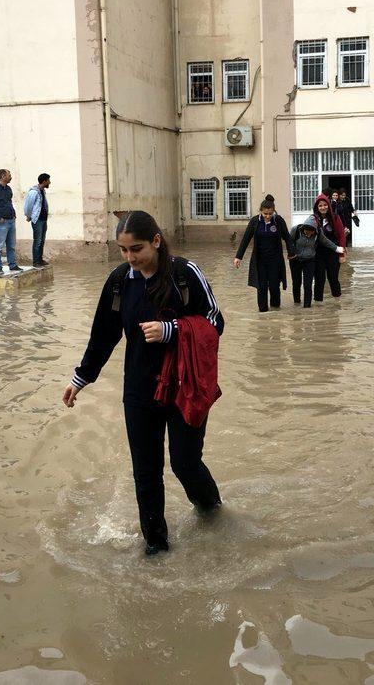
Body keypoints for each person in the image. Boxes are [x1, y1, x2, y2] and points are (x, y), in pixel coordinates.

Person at [62, 211, 223, 556]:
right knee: (146, 473)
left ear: (156, 241)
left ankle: (213, 512)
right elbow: (103, 335)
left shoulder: (184, 274)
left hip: (185, 387)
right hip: (138, 391)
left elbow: (215, 320)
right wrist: (81, 378)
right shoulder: (120, 281)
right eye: (123, 250)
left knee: (184, 462)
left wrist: (173, 330)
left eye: (136, 249)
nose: (130, 258)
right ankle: (156, 547)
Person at [234, 198, 293, 312]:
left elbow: (287, 237)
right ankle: (263, 311)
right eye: (265, 213)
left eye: (270, 213)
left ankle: (276, 311)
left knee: (274, 286)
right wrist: (238, 257)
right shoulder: (255, 221)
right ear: (260, 211)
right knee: (261, 287)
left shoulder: (278, 220)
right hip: (259, 260)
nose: (267, 216)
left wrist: (291, 253)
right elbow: (246, 239)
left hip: (275, 260)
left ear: (274, 211)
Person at [289, 216, 342, 308]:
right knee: (296, 283)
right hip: (295, 260)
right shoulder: (296, 230)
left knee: (308, 284)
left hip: (309, 260)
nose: (309, 234)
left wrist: (337, 248)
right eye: (306, 231)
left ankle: (307, 307)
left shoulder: (318, 232)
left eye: (311, 232)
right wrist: (291, 253)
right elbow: (289, 242)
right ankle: (296, 303)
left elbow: (326, 242)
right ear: (303, 228)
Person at [0, 168, 22, 274]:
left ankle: (12, 265)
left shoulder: (8, 189)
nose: (10, 177)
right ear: (3, 176)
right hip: (1, 222)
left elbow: (9, 202)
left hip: (11, 221)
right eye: (9, 175)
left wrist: (14, 214)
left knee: (11, 245)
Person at [313, 193, 346, 301]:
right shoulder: (314, 219)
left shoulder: (335, 218)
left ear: (328, 205)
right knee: (319, 279)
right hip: (318, 254)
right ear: (317, 208)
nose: (323, 207)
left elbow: (341, 236)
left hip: (333, 253)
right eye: (320, 206)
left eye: (325, 205)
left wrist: (341, 254)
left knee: (333, 278)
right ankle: (318, 304)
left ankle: (337, 303)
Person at [24, 173, 51, 267]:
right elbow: (28, 205)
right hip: (37, 220)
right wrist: (28, 215)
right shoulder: (34, 192)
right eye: (48, 180)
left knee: (42, 240)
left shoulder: (42, 191)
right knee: (37, 241)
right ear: (44, 181)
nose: (49, 182)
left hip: (44, 219)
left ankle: (40, 259)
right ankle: (36, 262)